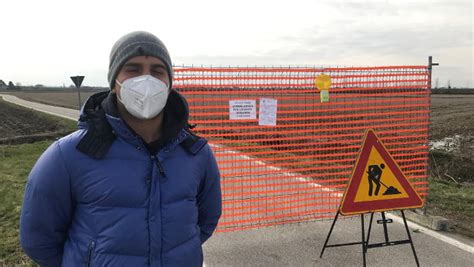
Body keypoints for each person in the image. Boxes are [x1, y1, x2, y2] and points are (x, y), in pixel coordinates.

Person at [20, 31, 222, 267]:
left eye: (157, 71)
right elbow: (39, 239)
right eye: (133, 69)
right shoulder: (68, 155)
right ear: (114, 83)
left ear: (168, 85)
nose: (147, 80)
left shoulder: (195, 152)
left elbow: (206, 221)